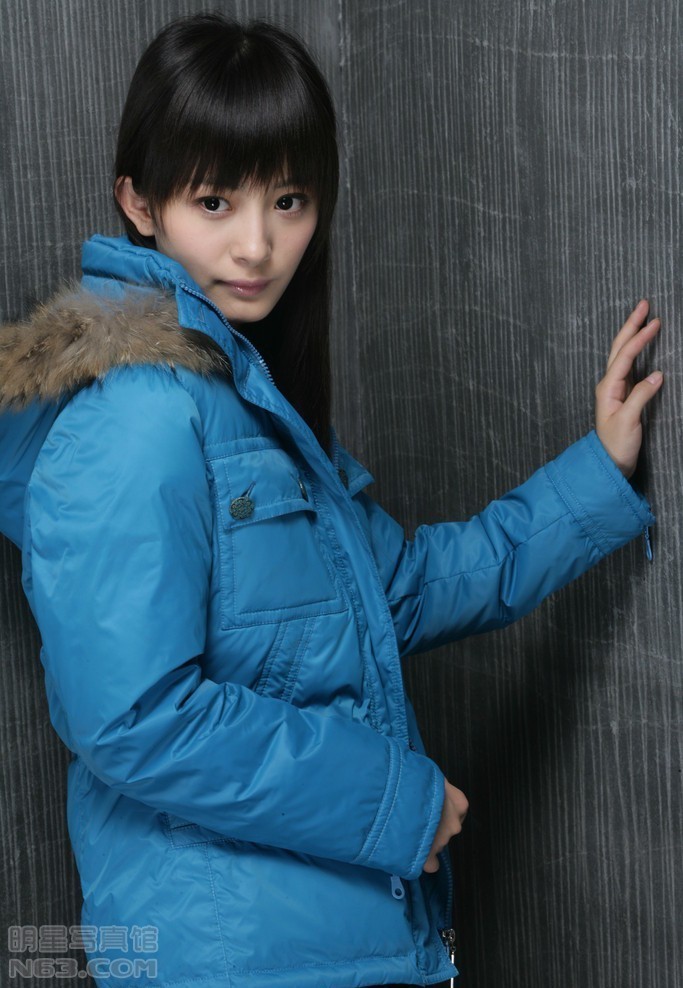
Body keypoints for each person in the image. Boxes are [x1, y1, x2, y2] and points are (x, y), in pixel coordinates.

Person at [0, 13, 662, 988]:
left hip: (317, 939)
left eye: (290, 199)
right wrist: (395, 803)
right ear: (138, 202)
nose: (258, 244)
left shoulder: (236, 398)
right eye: (214, 201)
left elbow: (395, 591)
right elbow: (134, 718)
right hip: (231, 958)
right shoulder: (137, 417)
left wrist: (595, 474)